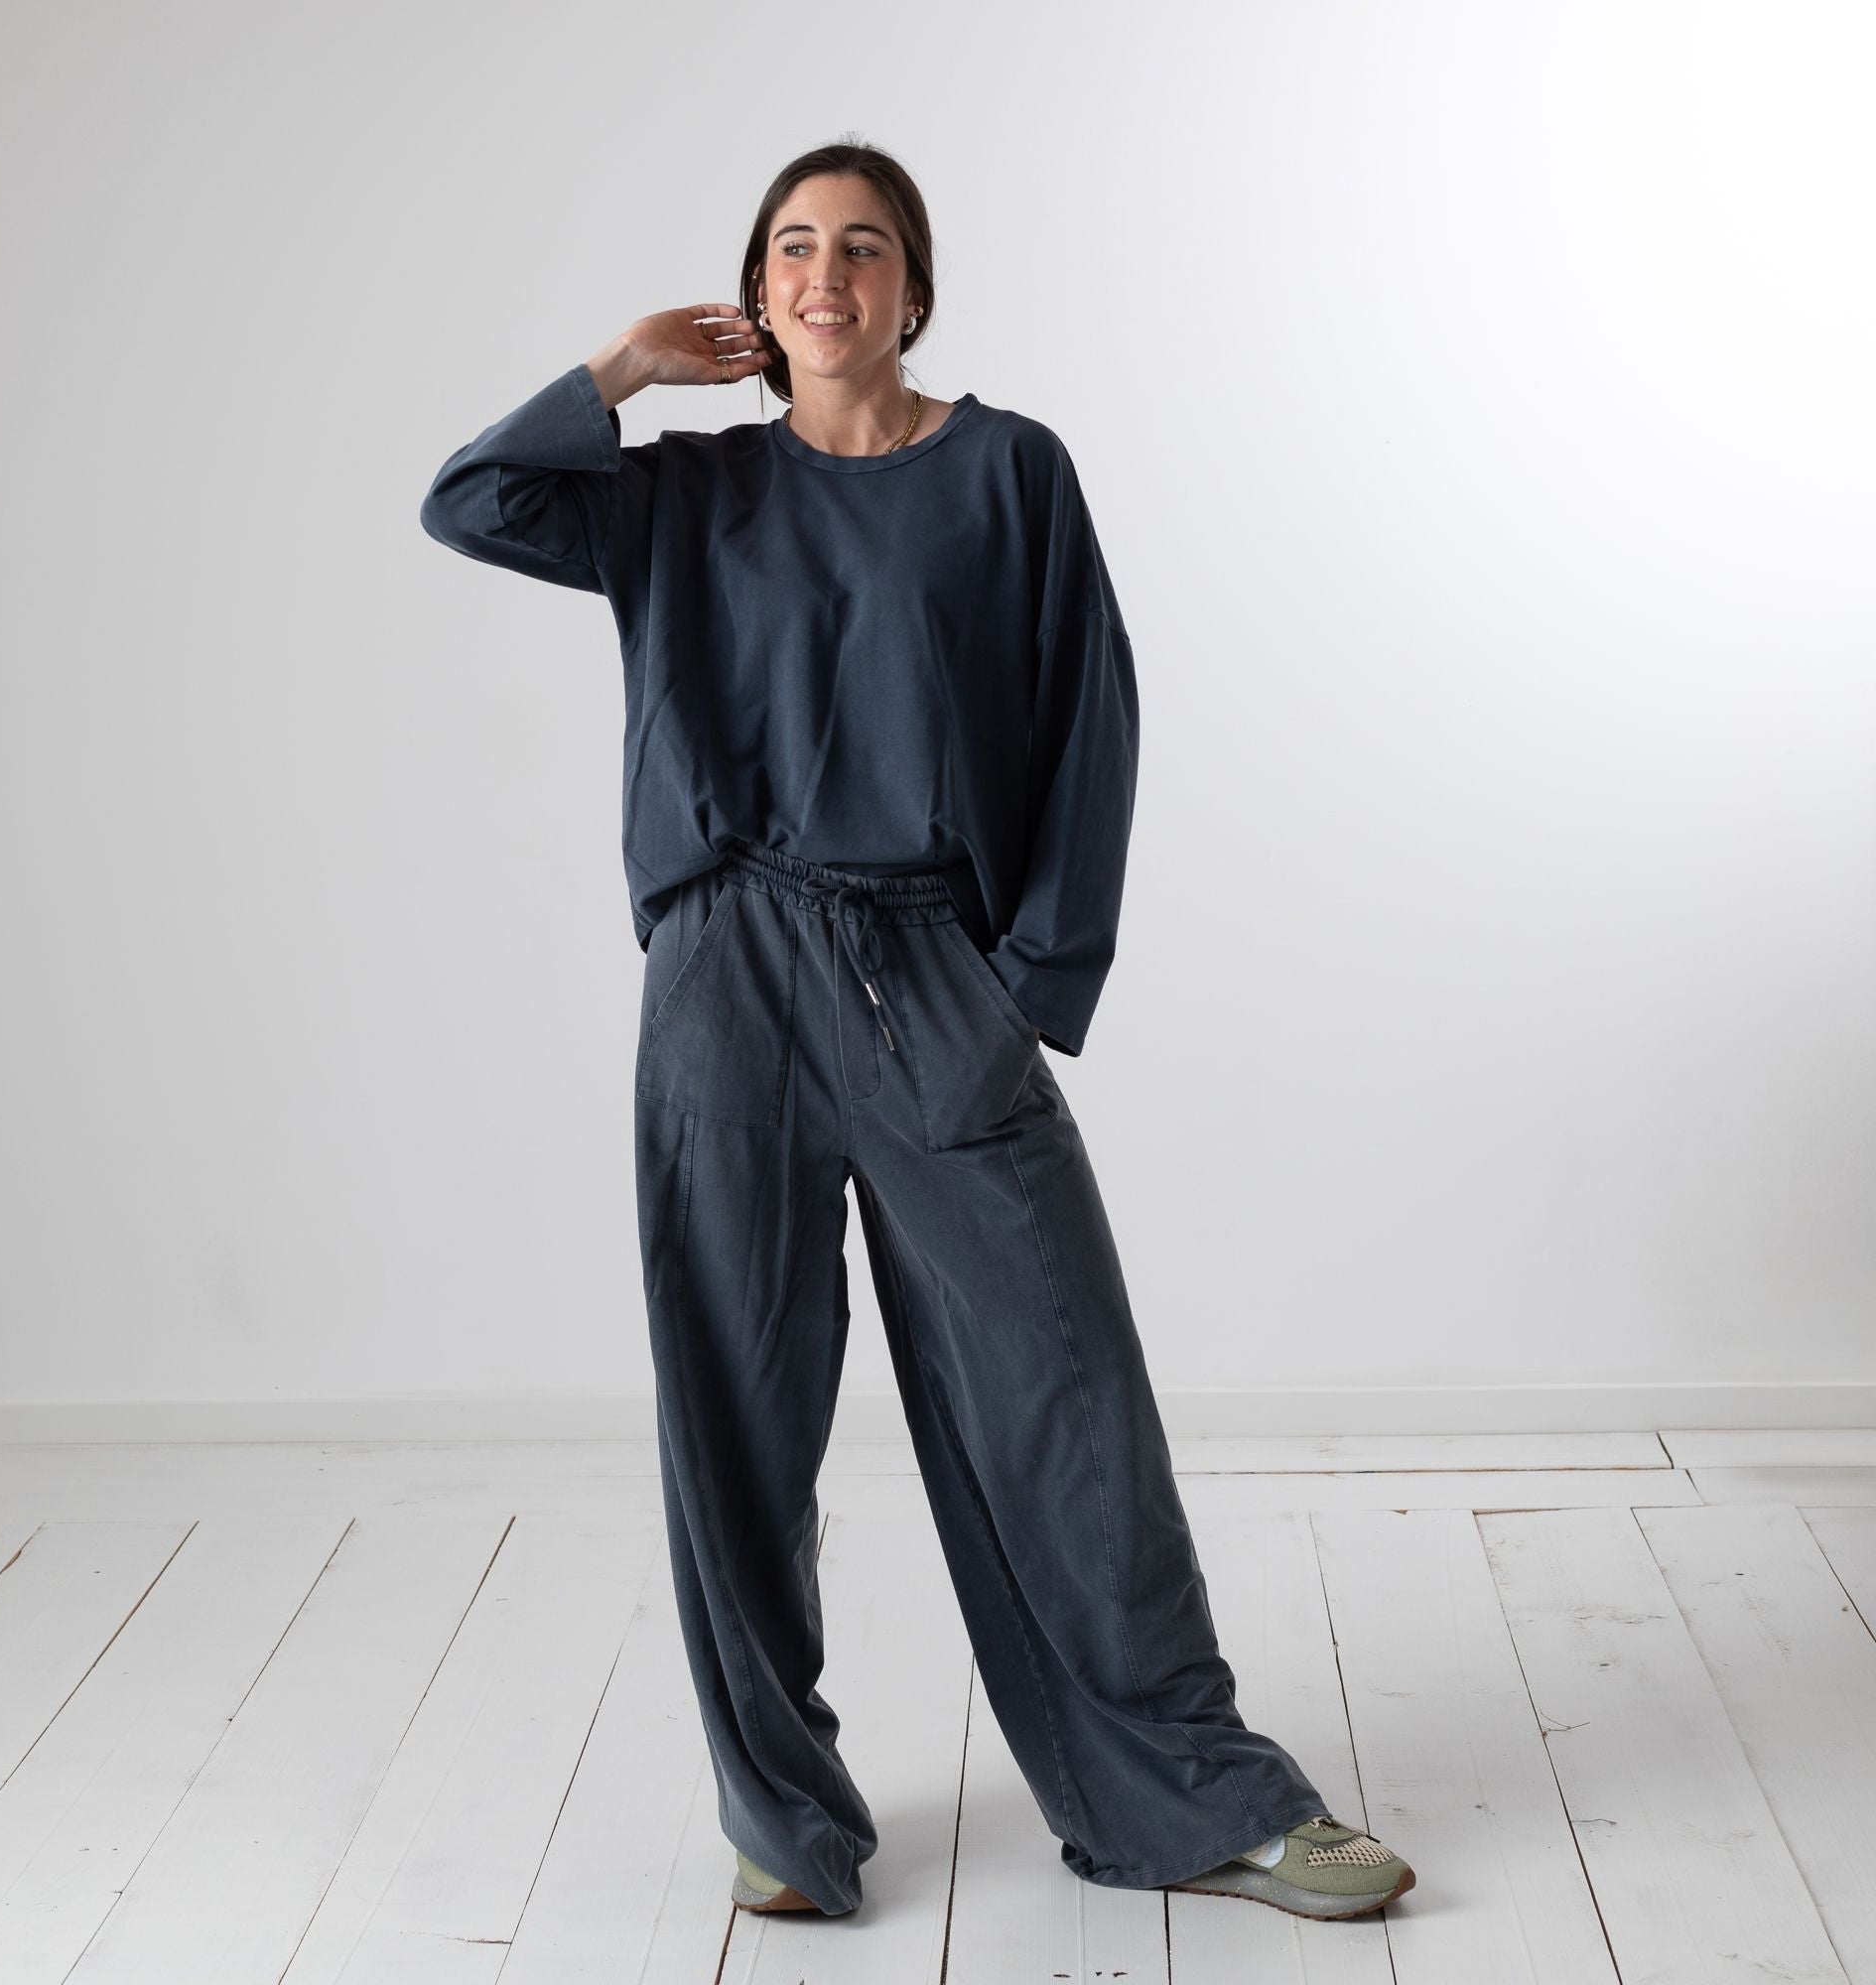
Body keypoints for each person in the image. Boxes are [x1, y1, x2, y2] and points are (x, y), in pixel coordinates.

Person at [419, 139, 1415, 1925]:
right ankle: (781, 1819)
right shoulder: (683, 492)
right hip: (723, 972)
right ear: (755, 294)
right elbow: (469, 504)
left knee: (1064, 1384)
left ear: (915, 289)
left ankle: (1196, 1794)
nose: (827, 275)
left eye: (864, 247)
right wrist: (624, 370)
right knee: (736, 1406)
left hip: (929, 971)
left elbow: (1093, 715)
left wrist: (1033, 982)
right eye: (794, 247)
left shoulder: (1008, 473)